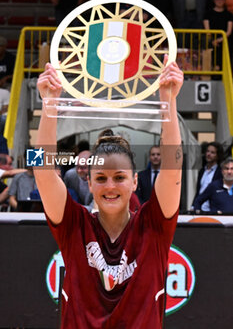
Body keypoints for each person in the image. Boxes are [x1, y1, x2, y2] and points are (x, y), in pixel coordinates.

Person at [34, 55, 183, 328]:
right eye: (100, 178)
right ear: (89, 184)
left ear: (135, 182)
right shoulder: (74, 225)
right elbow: (42, 174)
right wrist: (49, 105)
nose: (110, 186)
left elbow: (173, 168)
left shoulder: (154, 225)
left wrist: (168, 102)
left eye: (119, 177)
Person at [203, 0, 233, 71]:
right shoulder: (208, 14)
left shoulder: (229, 15)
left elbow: (229, 31)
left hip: (224, 40)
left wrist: (219, 40)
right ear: (214, 0)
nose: (219, 1)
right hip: (211, 40)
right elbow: (207, 29)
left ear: (224, 0)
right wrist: (213, 40)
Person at [191, 141, 223, 212]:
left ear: (218, 155)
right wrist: (193, 205)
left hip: (212, 209)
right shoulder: (202, 171)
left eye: (212, 152)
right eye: (208, 151)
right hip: (199, 208)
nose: (208, 154)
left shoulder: (220, 172)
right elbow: (199, 190)